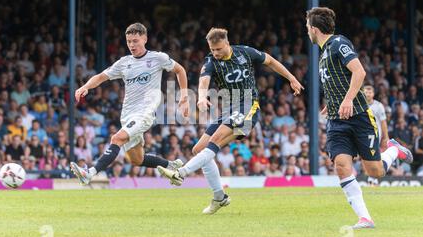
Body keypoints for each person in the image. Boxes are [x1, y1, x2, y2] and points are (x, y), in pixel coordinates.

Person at [158, 27, 303, 214]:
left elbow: (271, 61)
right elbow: (204, 81)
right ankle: (219, 197)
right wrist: (202, 97)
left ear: (227, 43)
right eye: (212, 50)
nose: (215, 53)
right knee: (198, 149)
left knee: (215, 140)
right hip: (228, 109)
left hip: (248, 106)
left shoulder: (245, 52)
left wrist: (291, 78)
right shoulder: (210, 61)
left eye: (218, 49)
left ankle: (181, 173)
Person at [305, 7, 413, 229]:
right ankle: (365, 218)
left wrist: (347, 100)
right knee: (341, 165)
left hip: (360, 117)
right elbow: (338, 81)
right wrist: (334, 103)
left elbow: (359, 72)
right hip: (336, 121)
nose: (307, 31)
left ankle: (393, 150)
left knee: (375, 171)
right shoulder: (323, 53)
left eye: (307, 27)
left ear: (314, 29)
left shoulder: (338, 43)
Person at [70, 23, 190, 185]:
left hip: (145, 113)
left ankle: (89, 173)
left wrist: (184, 95)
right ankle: (172, 165)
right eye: (128, 41)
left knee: (117, 138)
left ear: (145, 39)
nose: (131, 45)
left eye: (135, 41)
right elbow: (101, 77)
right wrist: (85, 86)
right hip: (127, 114)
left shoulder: (158, 58)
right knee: (137, 159)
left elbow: (180, 70)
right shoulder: (124, 62)